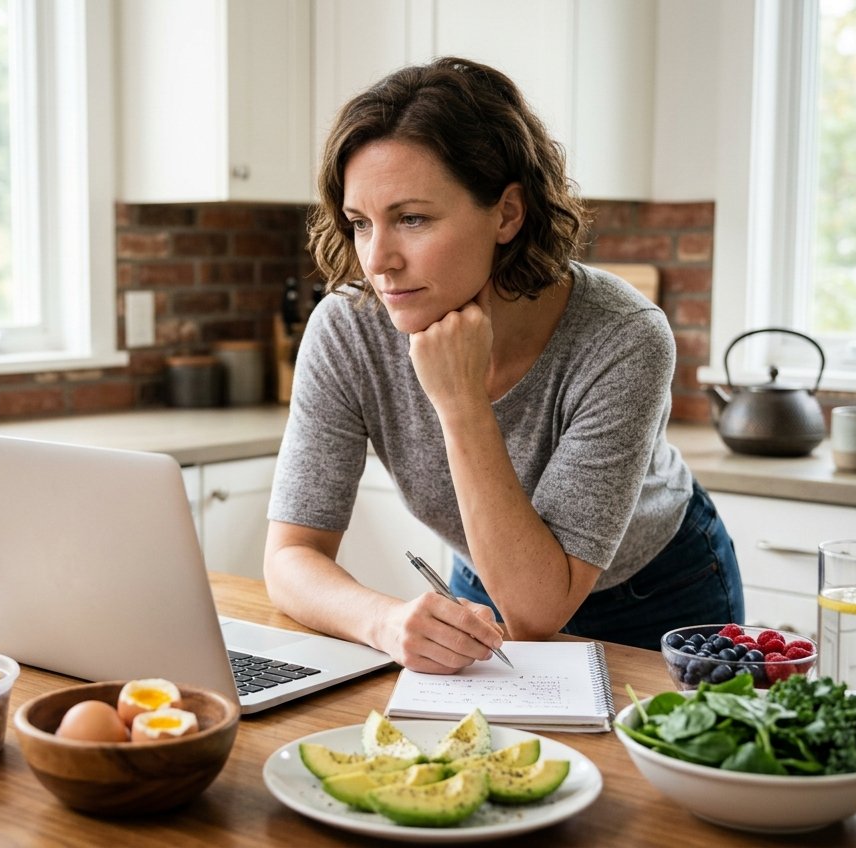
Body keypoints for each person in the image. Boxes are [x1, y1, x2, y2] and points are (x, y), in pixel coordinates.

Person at [264, 57, 743, 674]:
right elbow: (290, 556)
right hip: (489, 572)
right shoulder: (348, 329)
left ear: (507, 214)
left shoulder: (624, 337)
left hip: (657, 595)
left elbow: (540, 610)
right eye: (361, 223)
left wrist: (460, 403)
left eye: (412, 219)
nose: (378, 259)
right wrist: (382, 621)